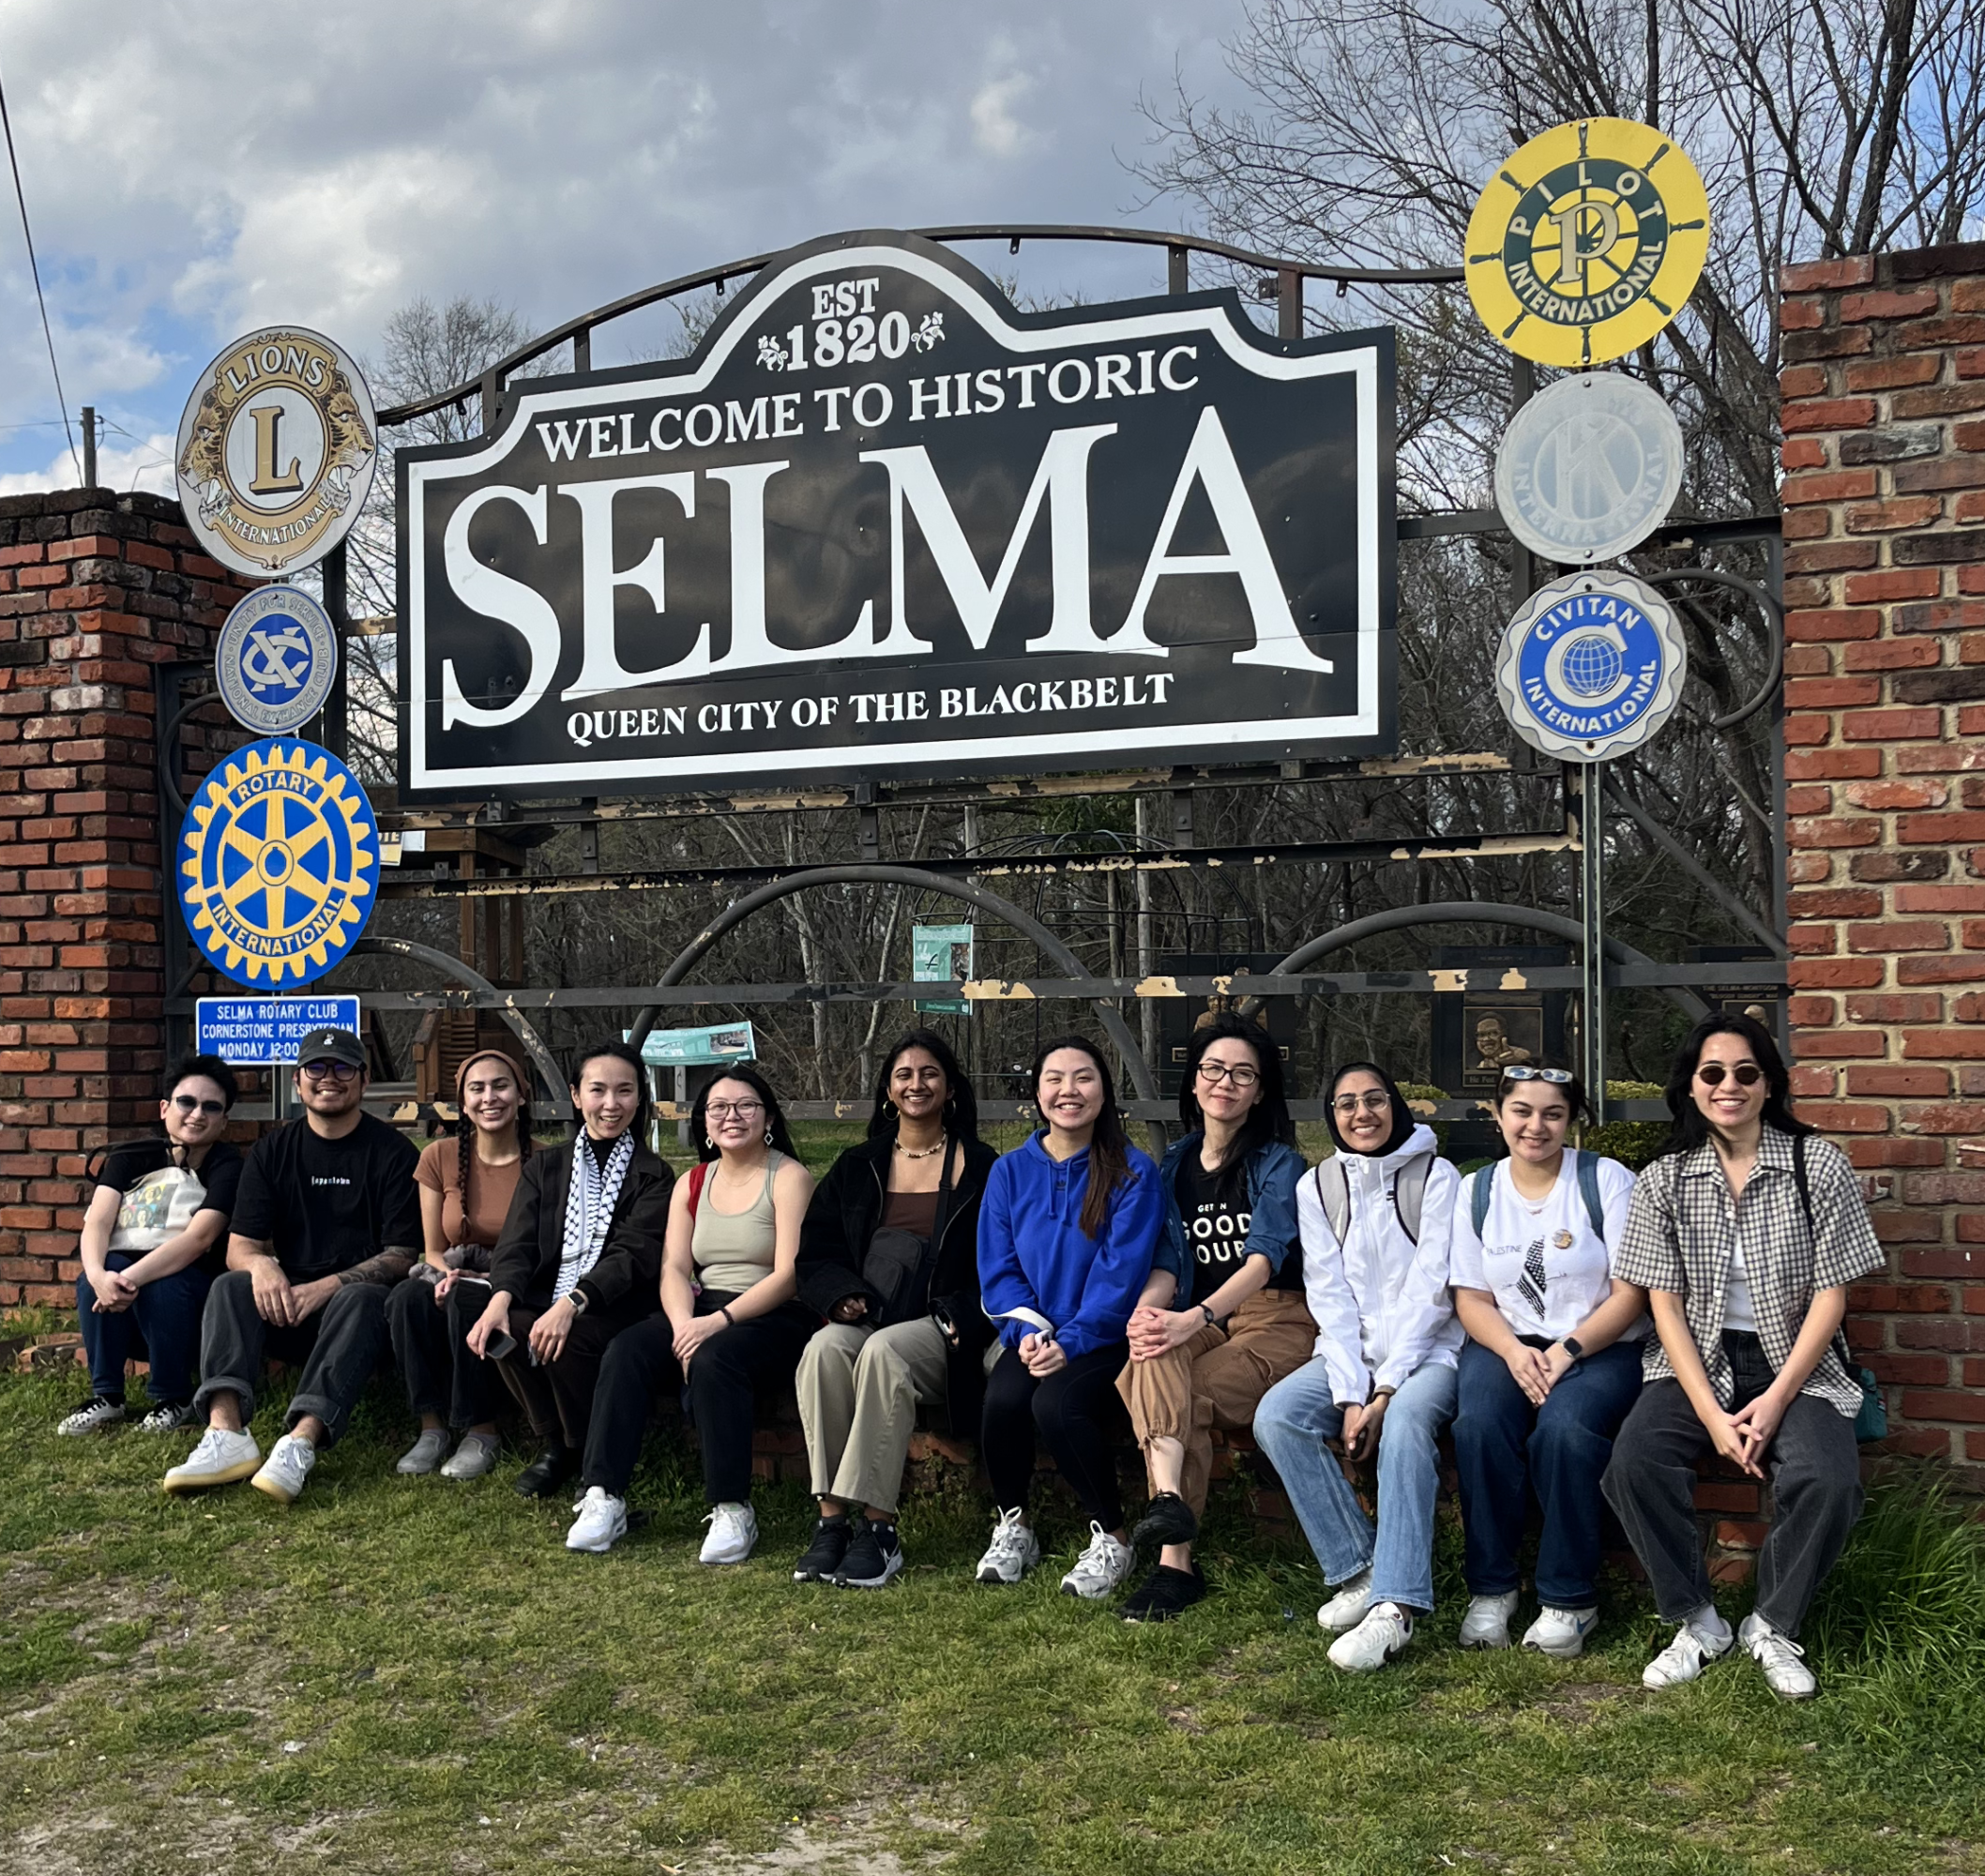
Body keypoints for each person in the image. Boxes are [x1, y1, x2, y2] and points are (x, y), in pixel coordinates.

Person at [1603, 1014, 1884, 1701]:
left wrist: (1778, 1397)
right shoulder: (1664, 1179)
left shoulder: (1816, 1164)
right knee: (1633, 1465)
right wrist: (1713, 1415)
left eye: (1745, 1073)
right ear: (1691, 1088)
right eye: (1713, 1073)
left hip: (1796, 1360)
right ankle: (1697, 1621)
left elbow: (1831, 1297)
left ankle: (1773, 1623)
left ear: (1768, 1085)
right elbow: (1662, 1305)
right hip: (1694, 1359)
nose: (1729, 1085)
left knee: (1828, 1479)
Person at [1252, 1062, 1462, 1672]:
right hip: (1353, 1356)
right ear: (1332, 1117)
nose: (1361, 1113)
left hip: (1431, 1355)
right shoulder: (1317, 1186)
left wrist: (1387, 1388)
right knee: (1279, 1416)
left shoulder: (1437, 1176)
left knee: (1402, 1427)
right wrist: (1349, 1393)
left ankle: (1396, 1608)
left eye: (1374, 1099)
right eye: (1346, 1104)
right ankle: (1361, 1568)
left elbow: (1433, 1293)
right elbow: (1330, 1297)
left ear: (1395, 1105)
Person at [568, 1066, 815, 1561]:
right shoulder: (693, 1182)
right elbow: (675, 1268)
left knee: (714, 1359)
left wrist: (715, 1325)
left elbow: (789, 1275)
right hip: (700, 1309)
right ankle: (604, 1495)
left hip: (774, 1315)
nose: (732, 1116)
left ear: (766, 1116)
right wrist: (684, 1326)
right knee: (628, 1349)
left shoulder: (789, 1177)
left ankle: (732, 1507)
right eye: (718, 1108)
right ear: (703, 1122)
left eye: (745, 1105)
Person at [163, 1028, 420, 1503]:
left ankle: (300, 1441)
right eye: (317, 1068)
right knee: (230, 1285)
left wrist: (323, 1287)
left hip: (360, 1317)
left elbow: (402, 1256)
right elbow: (241, 1244)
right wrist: (262, 1268)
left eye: (343, 1068)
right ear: (298, 1082)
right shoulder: (272, 1152)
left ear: (363, 1081)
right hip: (287, 1305)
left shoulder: (394, 1152)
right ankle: (226, 1434)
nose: (330, 1079)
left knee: (361, 1296)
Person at [1115, 1015, 1311, 1621]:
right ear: (1194, 1083)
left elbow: (1263, 1259)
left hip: (1274, 1318)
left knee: (1182, 1391)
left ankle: (1175, 1563)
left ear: (1259, 1091)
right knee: (1149, 1353)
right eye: (1213, 1069)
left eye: (1243, 1073)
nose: (1225, 1082)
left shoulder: (1280, 1164)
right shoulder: (1172, 1166)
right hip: (1200, 1316)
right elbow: (1170, 1263)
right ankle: (1172, 1503)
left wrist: (1192, 1316)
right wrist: (1149, 1315)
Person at [1448, 1065, 1646, 1657]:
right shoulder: (1477, 1190)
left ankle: (1569, 1597)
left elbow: (1632, 1291)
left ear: (1571, 1119)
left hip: (1599, 1345)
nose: (1536, 1126)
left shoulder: (1605, 1180)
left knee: (1565, 1433)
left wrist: (1566, 1351)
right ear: (1499, 1113)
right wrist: (1512, 1352)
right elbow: (1471, 1297)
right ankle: (1492, 1590)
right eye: (1522, 1112)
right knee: (1478, 1426)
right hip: (1506, 1343)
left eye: (1553, 1114)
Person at [790, 1031, 998, 1588]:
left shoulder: (982, 1167)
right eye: (904, 1074)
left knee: (884, 1352)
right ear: (887, 1089)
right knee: (824, 1350)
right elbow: (816, 1250)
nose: (916, 1084)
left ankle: (879, 1532)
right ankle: (832, 1521)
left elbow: (1001, 1260)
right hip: (869, 1315)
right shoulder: (858, 1166)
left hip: (942, 1329)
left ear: (950, 1088)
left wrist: (961, 1313)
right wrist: (839, 1295)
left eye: (929, 1073)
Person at [974, 1035, 1161, 1598]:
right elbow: (998, 1267)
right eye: (1054, 1079)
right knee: (1003, 1400)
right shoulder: (1008, 1172)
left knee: (1057, 1403)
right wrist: (1030, 1332)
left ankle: (1114, 1537)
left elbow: (1119, 1273)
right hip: (1031, 1330)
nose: (1068, 1091)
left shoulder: (1132, 1171)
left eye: (1083, 1078)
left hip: (1103, 1336)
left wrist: (1071, 1342)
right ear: (1036, 1092)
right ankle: (1014, 1525)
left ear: (1104, 1093)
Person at [466, 1041, 673, 1500]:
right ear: (577, 1096)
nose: (611, 1104)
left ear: (639, 1099)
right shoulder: (546, 1166)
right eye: (597, 1090)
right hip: (548, 1292)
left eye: (624, 1091)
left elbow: (633, 1254)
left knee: (569, 1336)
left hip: (615, 1304)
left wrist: (574, 1302)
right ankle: (554, 1442)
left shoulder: (653, 1174)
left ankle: (581, 1451)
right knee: (504, 1328)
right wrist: (499, 1300)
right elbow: (515, 1243)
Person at [59, 1055, 244, 1436]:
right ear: (165, 1108)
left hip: (189, 1285)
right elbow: (98, 1220)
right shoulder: (130, 1156)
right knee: (95, 1271)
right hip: (124, 1280)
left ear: (224, 1120)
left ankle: (172, 1397)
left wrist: (126, 1280)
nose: (197, 1115)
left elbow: (200, 1238)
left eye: (212, 1107)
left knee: (163, 1284)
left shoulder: (228, 1165)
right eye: (186, 1102)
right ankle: (107, 1396)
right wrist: (98, 1275)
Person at [387, 1048, 535, 1481]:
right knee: (406, 1298)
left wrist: (490, 1280)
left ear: (521, 1096)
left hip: (515, 1277)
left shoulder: (546, 1162)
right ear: (464, 1101)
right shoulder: (438, 1156)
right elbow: (432, 1248)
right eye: (477, 1088)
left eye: (501, 1085)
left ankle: (481, 1429)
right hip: (451, 1265)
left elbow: (544, 1248)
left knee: (466, 1301)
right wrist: (447, 1272)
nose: (490, 1097)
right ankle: (430, 1427)